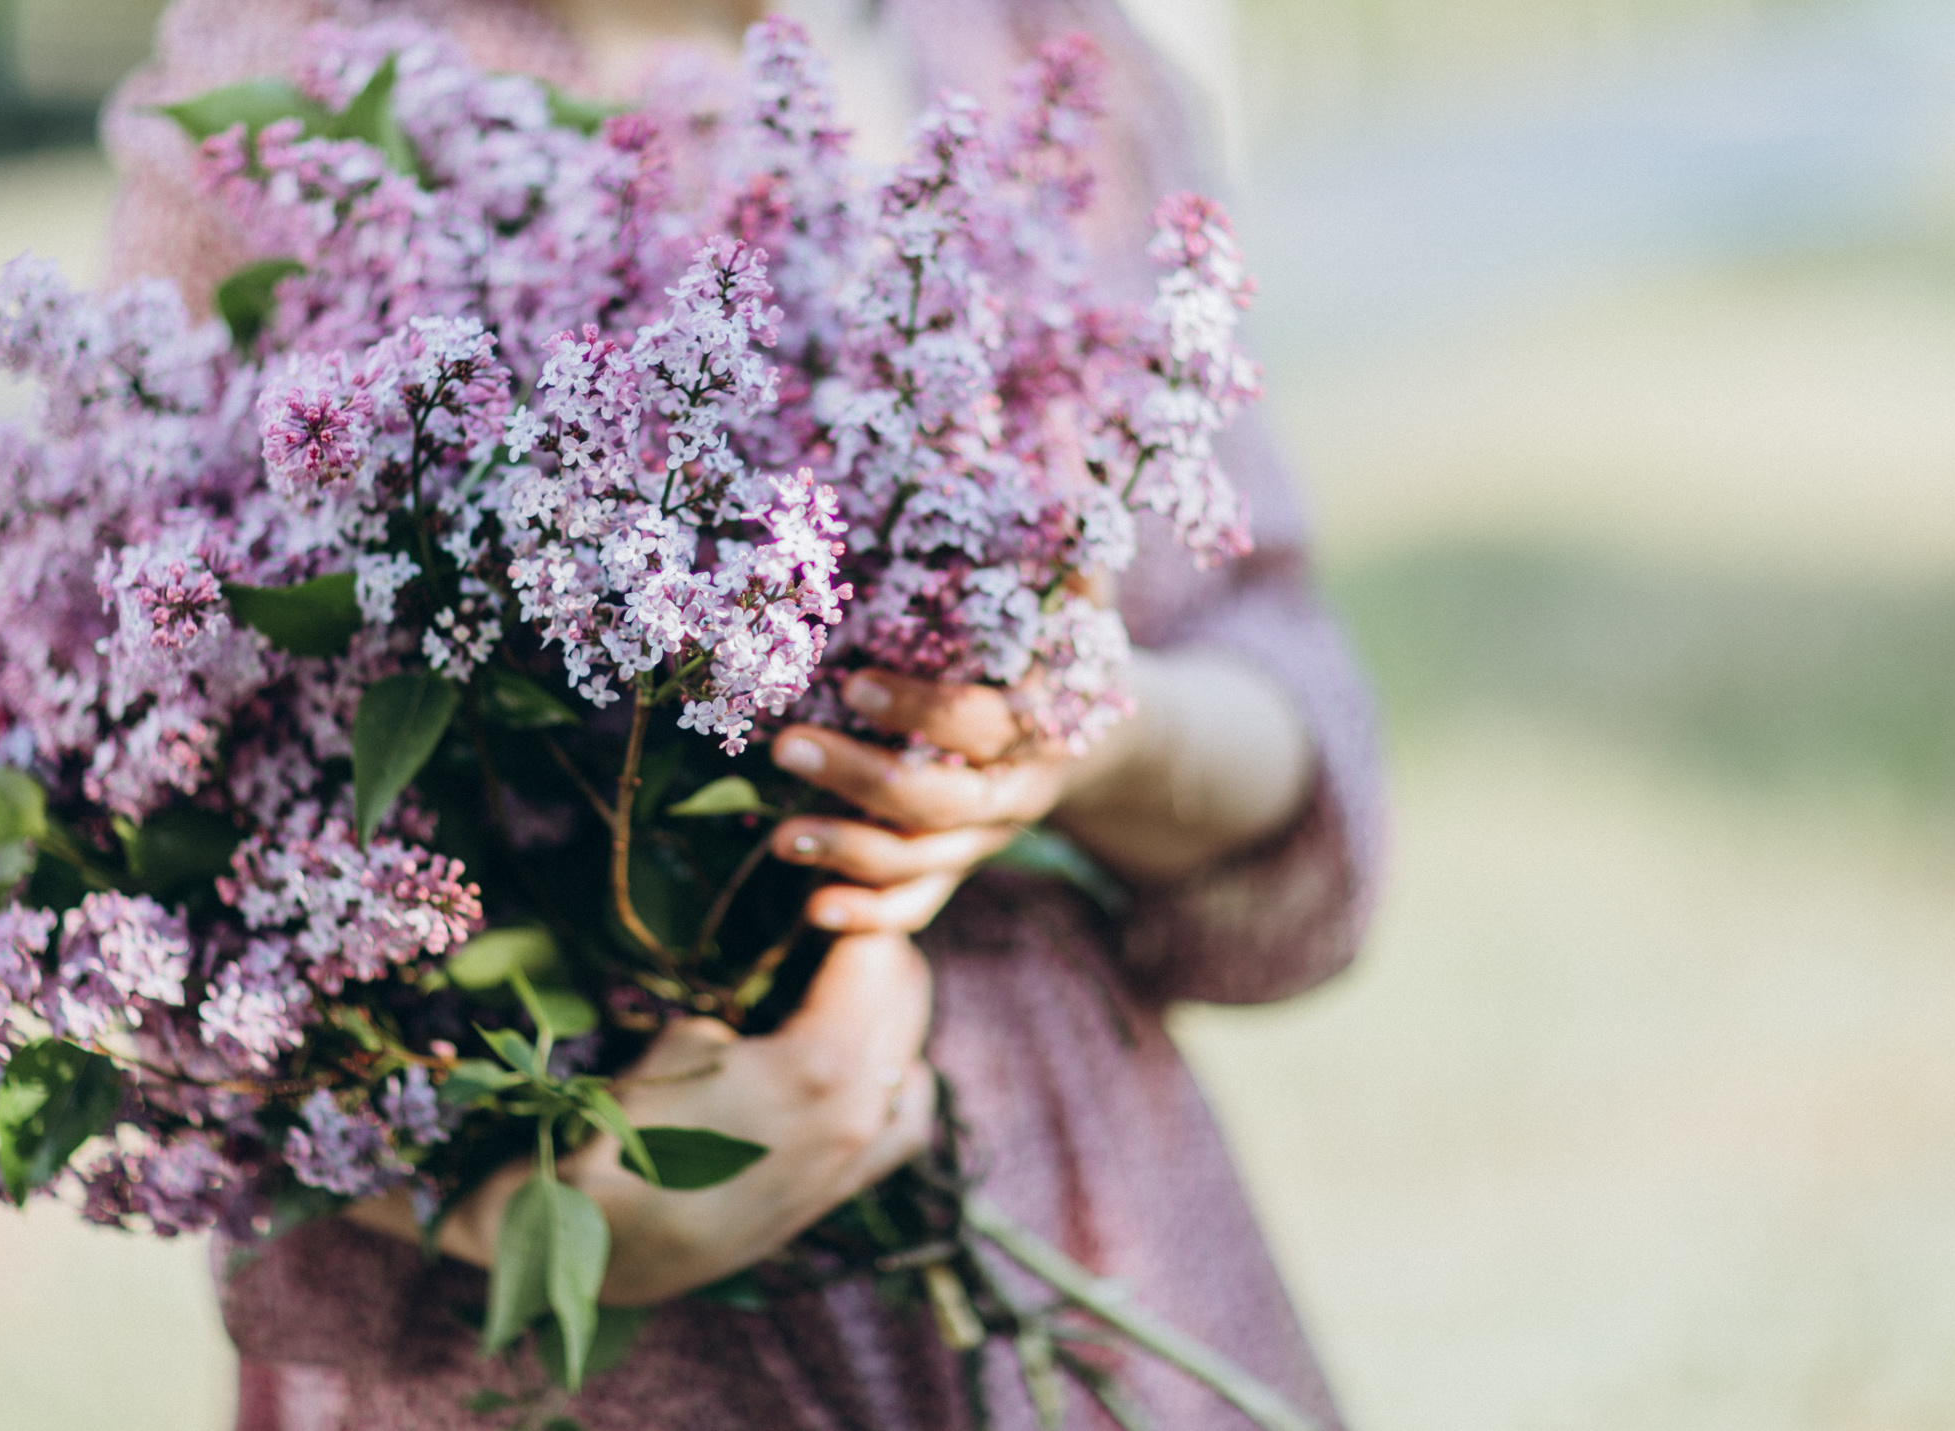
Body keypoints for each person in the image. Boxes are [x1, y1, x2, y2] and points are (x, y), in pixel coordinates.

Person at [103, 1, 1385, 1426]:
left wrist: (1085, 728)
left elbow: (1279, 681)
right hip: (555, 1335)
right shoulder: (290, 91)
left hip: (1074, 1225)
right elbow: (131, 831)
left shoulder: (1040, 56)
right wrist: (530, 1210)